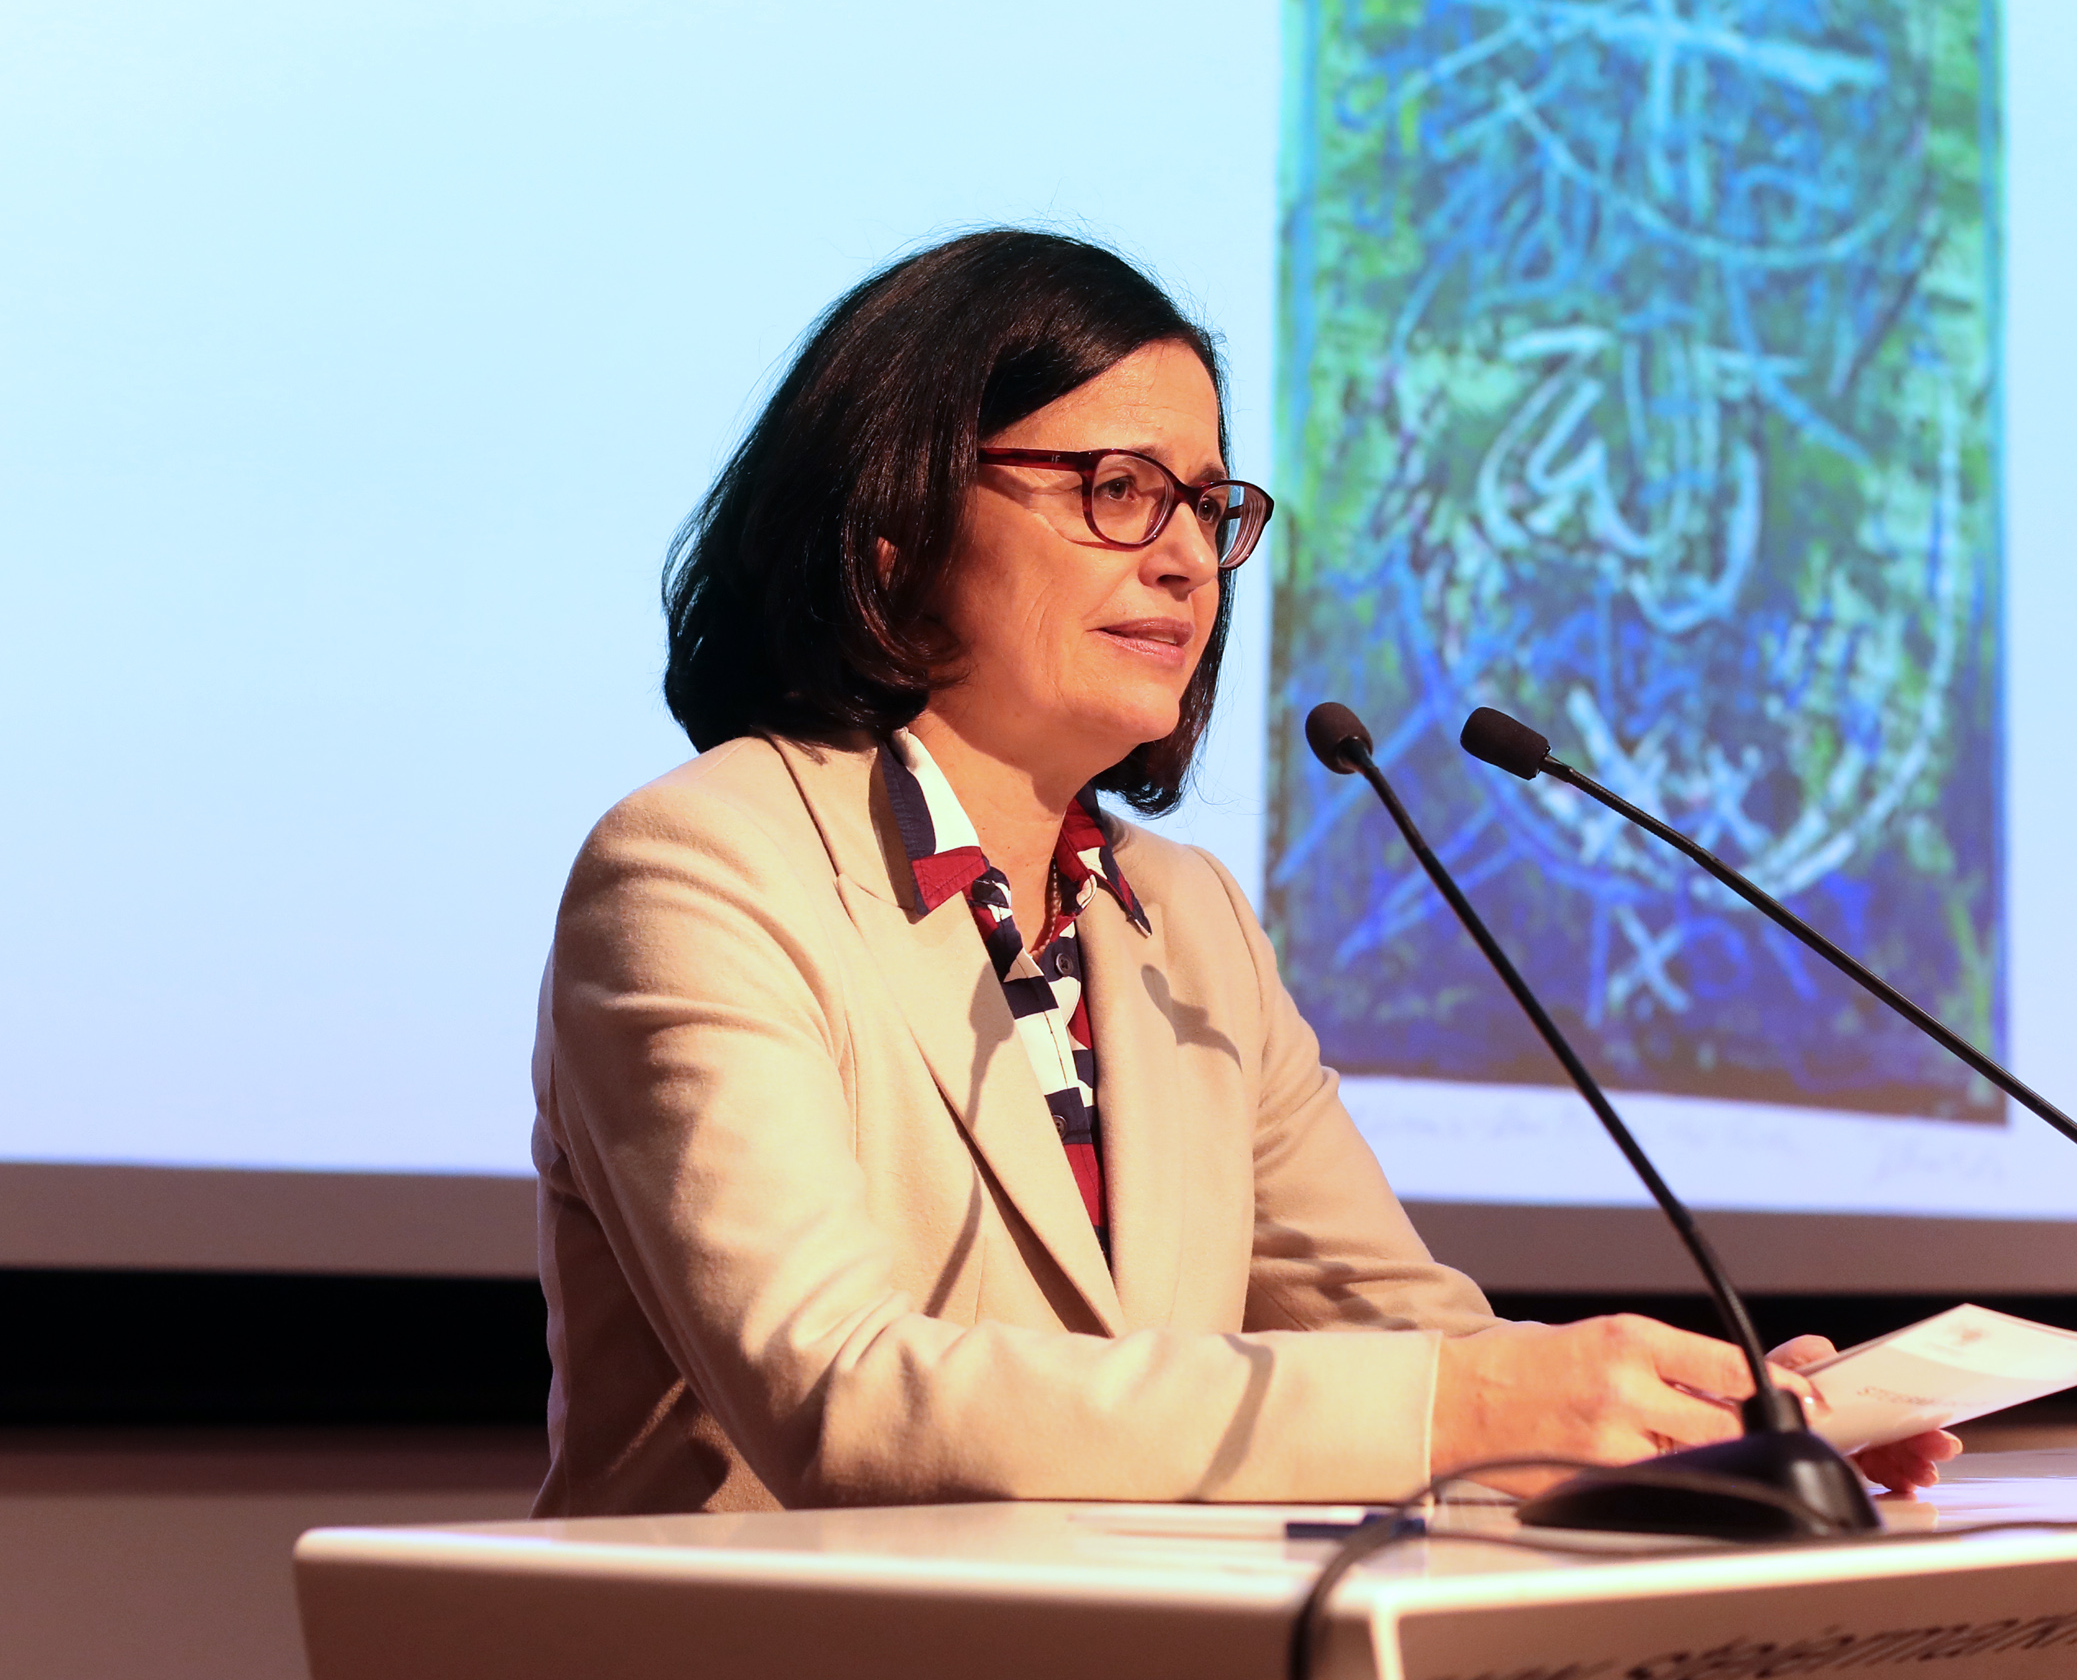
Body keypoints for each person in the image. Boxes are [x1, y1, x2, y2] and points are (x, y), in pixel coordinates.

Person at [530, 229, 1962, 1515]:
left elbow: (1401, 1337)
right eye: (1116, 489)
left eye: (1207, 508)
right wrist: (1469, 1405)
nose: (1184, 562)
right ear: (893, 528)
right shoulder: (703, 871)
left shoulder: (1186, 919)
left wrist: (1695, 1419)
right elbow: (837, 1398)